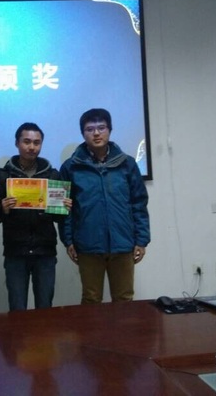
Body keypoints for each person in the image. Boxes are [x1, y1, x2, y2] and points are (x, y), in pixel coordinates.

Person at [59, 109, 150, 304]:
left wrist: (142, 239)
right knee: (91, 300)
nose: (96, 133)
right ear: (83, 133)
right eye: (90, 129)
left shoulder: (127, 164)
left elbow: (139, 203)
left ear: (110, 130)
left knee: (124, 299)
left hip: (123, 243)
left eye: (101, 128)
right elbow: (65, 209)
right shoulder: (70, 167)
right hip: (88, 245)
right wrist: (68, 241)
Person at [0, 122, 71, 311]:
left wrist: (64, 208)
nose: (32, 147)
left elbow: (59, 218)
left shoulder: (52, 175)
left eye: (36, 143)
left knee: (45, 308)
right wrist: (3, 208)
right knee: (17, 309)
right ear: (17, 143)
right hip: (16, 251)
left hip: (45, 251)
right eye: (26, 142)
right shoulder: (3, 176)